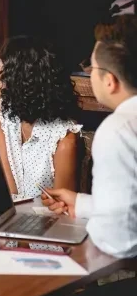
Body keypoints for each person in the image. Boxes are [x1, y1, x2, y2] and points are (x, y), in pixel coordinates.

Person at [43, 15, 137, 259]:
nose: (89, 72)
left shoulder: (118, 130)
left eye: (92, 67)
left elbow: (119, 242)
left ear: (109, 81)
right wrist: (81, 203)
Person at [0, 36, 81, 198]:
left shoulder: (64, 139)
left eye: (1, 66)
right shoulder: (0, 112)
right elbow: (13, 190)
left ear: (20, 77)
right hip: (16, 214)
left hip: (50, 220)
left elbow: (63, 209)